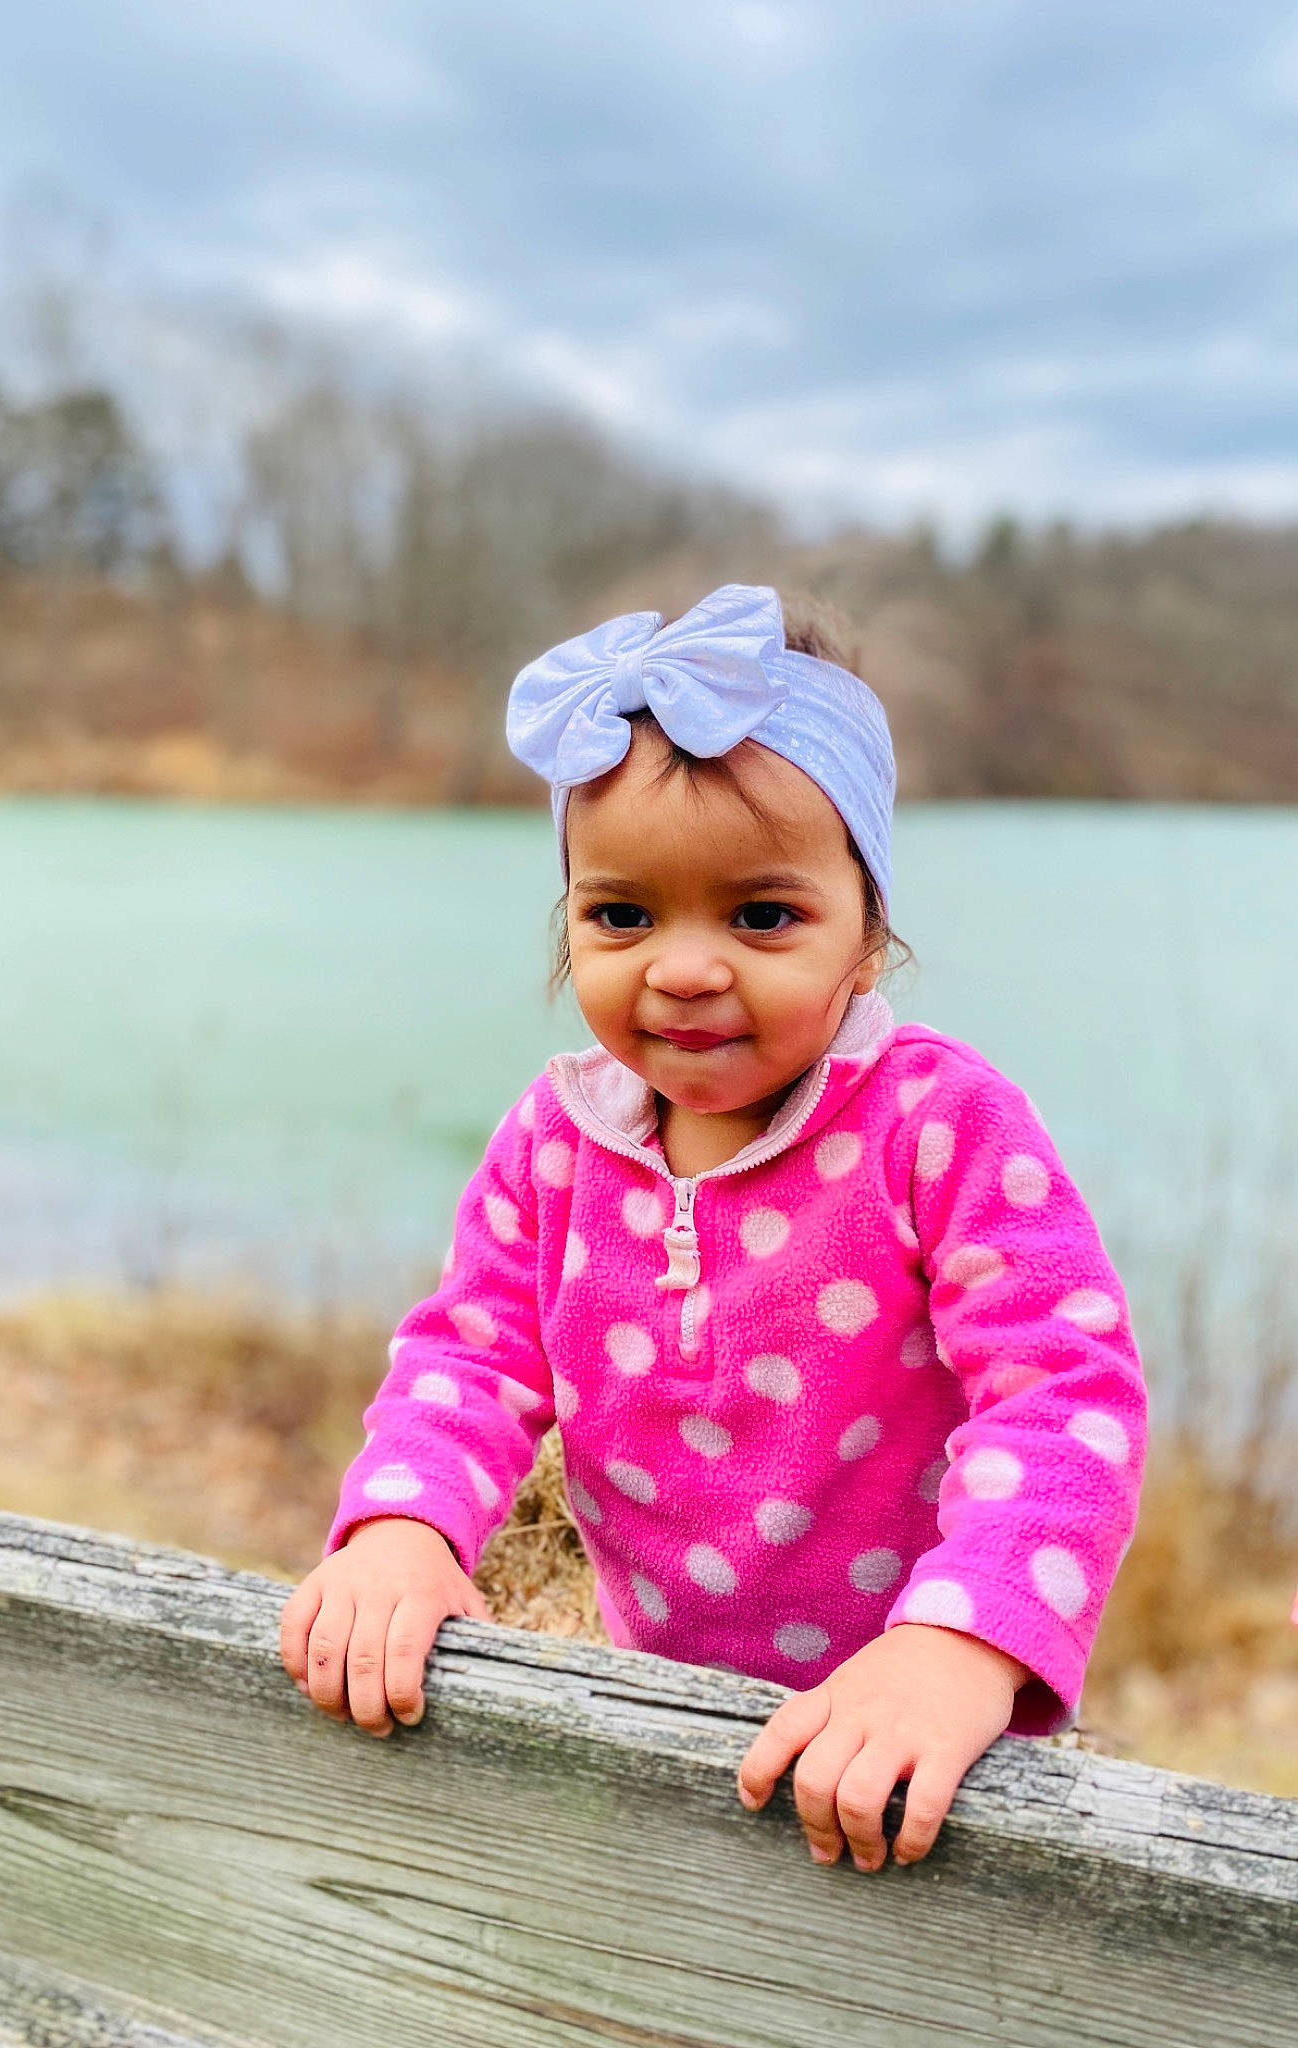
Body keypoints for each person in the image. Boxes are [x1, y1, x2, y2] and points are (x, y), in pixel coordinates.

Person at [279, 583, 1146, 1874]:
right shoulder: (559, 1138)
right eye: (622, 915)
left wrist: (961, 1651)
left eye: (762, 915)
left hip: (916, 1740)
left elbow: (1060, 1398)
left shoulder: (938, 1124)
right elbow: (468, 1357)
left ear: (869, 939)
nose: (683, 968)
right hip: (661, 1723)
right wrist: (403, 1535)